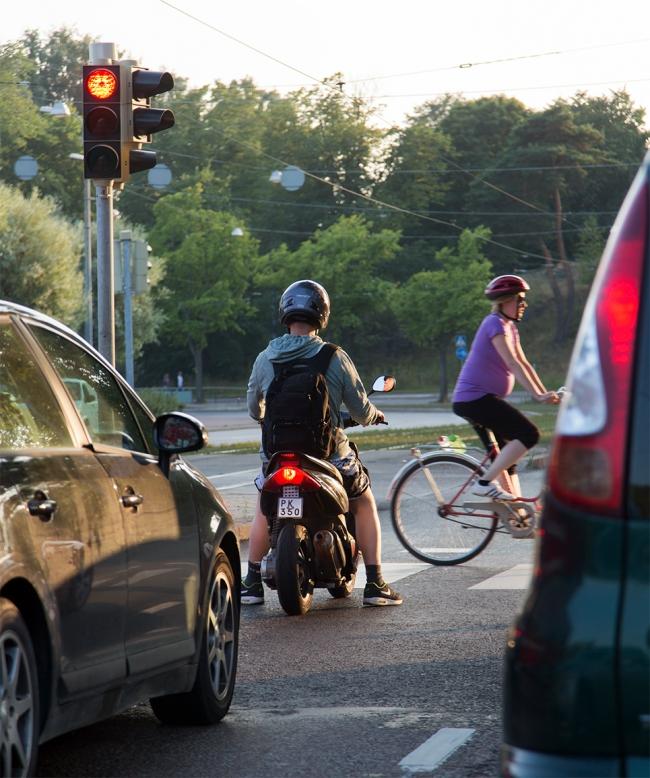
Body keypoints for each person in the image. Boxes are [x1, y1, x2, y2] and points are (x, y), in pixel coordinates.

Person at [243, 279, 403, 607]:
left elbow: (252, 408)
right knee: (362, 501)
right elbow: (359, 410)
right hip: (329, 456)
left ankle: (251, 582)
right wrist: (375, 416)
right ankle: (375, 583)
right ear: (323, 314)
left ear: (285, 313)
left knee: (263, 505)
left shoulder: (265, 358)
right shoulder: (334, 356)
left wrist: (265, 415)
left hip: (277, 456)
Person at [452, 274, 559, 501]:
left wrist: (543, 392)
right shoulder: (494, 323)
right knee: (529, 434)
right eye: (519, 299)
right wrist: (538, 396)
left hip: (481, 399)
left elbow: (524, 363)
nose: (524, 304)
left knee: (506, 458)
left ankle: (517, 513)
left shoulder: (510, 327)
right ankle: (483, 483)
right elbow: (512, 362)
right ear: (505, 301)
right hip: (474, 399)